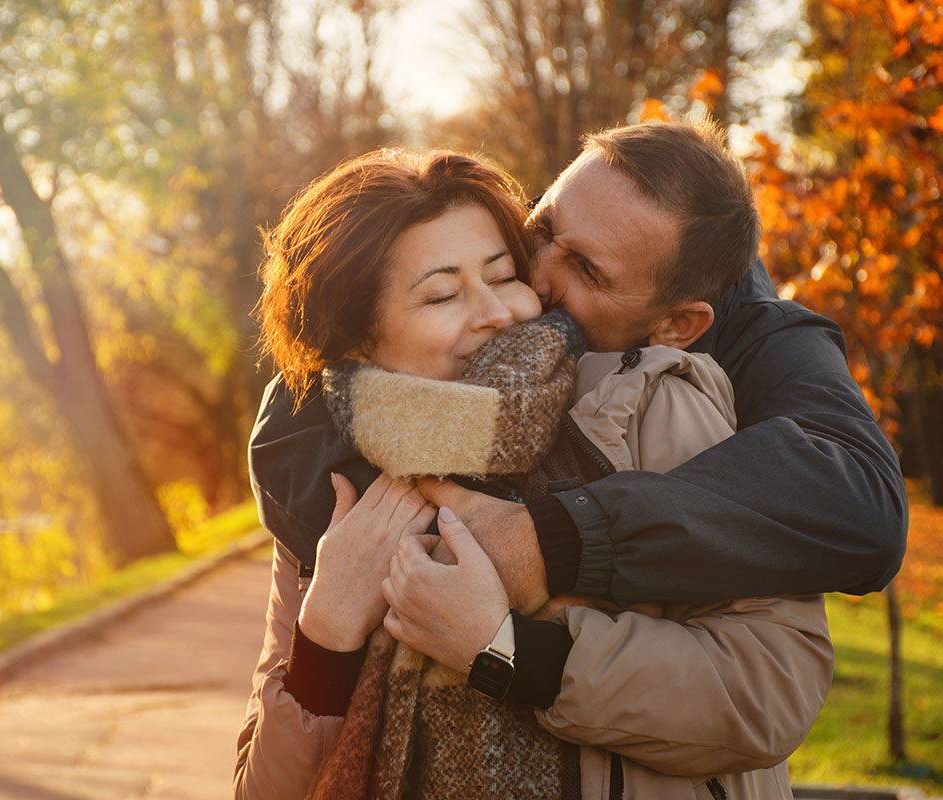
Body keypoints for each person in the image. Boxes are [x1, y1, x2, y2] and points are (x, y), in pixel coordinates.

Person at [235, 142, 832, 799]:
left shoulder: (646, 403)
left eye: (503, 272)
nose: (508, 306)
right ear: (357, 343)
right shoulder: (338, 482)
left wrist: (504, 649)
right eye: (441, 295)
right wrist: (325, 635)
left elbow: (765, 694)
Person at [249, 123, 907, 615]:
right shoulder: (503, 260)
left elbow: (860, 503)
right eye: (540, 229)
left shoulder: (756, 331)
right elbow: (300, 409)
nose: (532, 278)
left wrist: (558, 538)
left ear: (678, 323)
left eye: (587, 271)